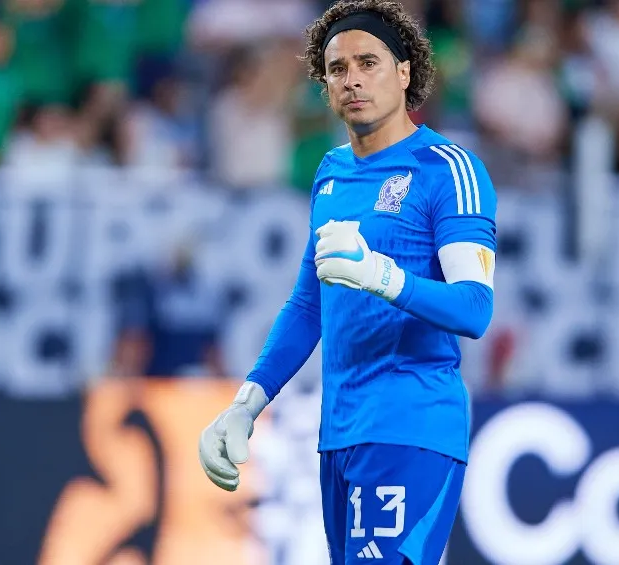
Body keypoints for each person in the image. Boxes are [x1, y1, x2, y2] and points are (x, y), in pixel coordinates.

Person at [197, 1, 497, 564]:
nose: (352, 79)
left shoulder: (449, 169)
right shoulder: (332, 172)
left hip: (411, 425)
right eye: (338, 69)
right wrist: (246, 403)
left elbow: (475, 307)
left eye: (368, 62)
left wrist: (382, 276)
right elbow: (309, 304)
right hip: (338, 435)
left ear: (405, 72)